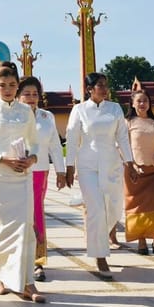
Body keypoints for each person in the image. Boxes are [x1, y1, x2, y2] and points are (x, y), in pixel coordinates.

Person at [0, 65, 46, 303]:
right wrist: (2, 159)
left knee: (24, 228)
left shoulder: (26, 110)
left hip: (21, 176)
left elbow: (34, 143)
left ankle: (27, 282)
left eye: (12, 85)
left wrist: (32, 159)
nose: (8, 90)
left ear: (18, 86)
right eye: (2, 85)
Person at [65, 72, 134, 278]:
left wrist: (129, 162)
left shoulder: (114, 109)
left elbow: (122, 136)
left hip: (112, 163)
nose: (104, 89)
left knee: (114, 209)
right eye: (100, 85)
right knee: (96, 209)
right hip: (88, 166)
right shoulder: (79, 110)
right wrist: (69, 167)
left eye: (106, 85)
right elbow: (71, 139)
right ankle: (100, 255)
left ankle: (98, 235)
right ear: (89, 89)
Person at [17, 76, 66, 282]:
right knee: (18, 215)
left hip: (39, 171)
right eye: (26, 94)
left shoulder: (47, 117)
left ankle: (37, 260)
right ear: (19, 96)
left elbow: (55, 144)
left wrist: (61, 171)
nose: (31, 98)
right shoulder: (12, 116)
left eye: (35, 94)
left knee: (36, 212)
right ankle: (17, 259)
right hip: (16, 171)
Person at [123, 91, 154, 256]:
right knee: (136, 208)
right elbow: (122, 146)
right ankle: (141, 240)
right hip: (135, 172)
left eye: (145, 101)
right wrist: (131, 165)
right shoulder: (127, 122)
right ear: (133, 104)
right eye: (139, 101)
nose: (142, 104)